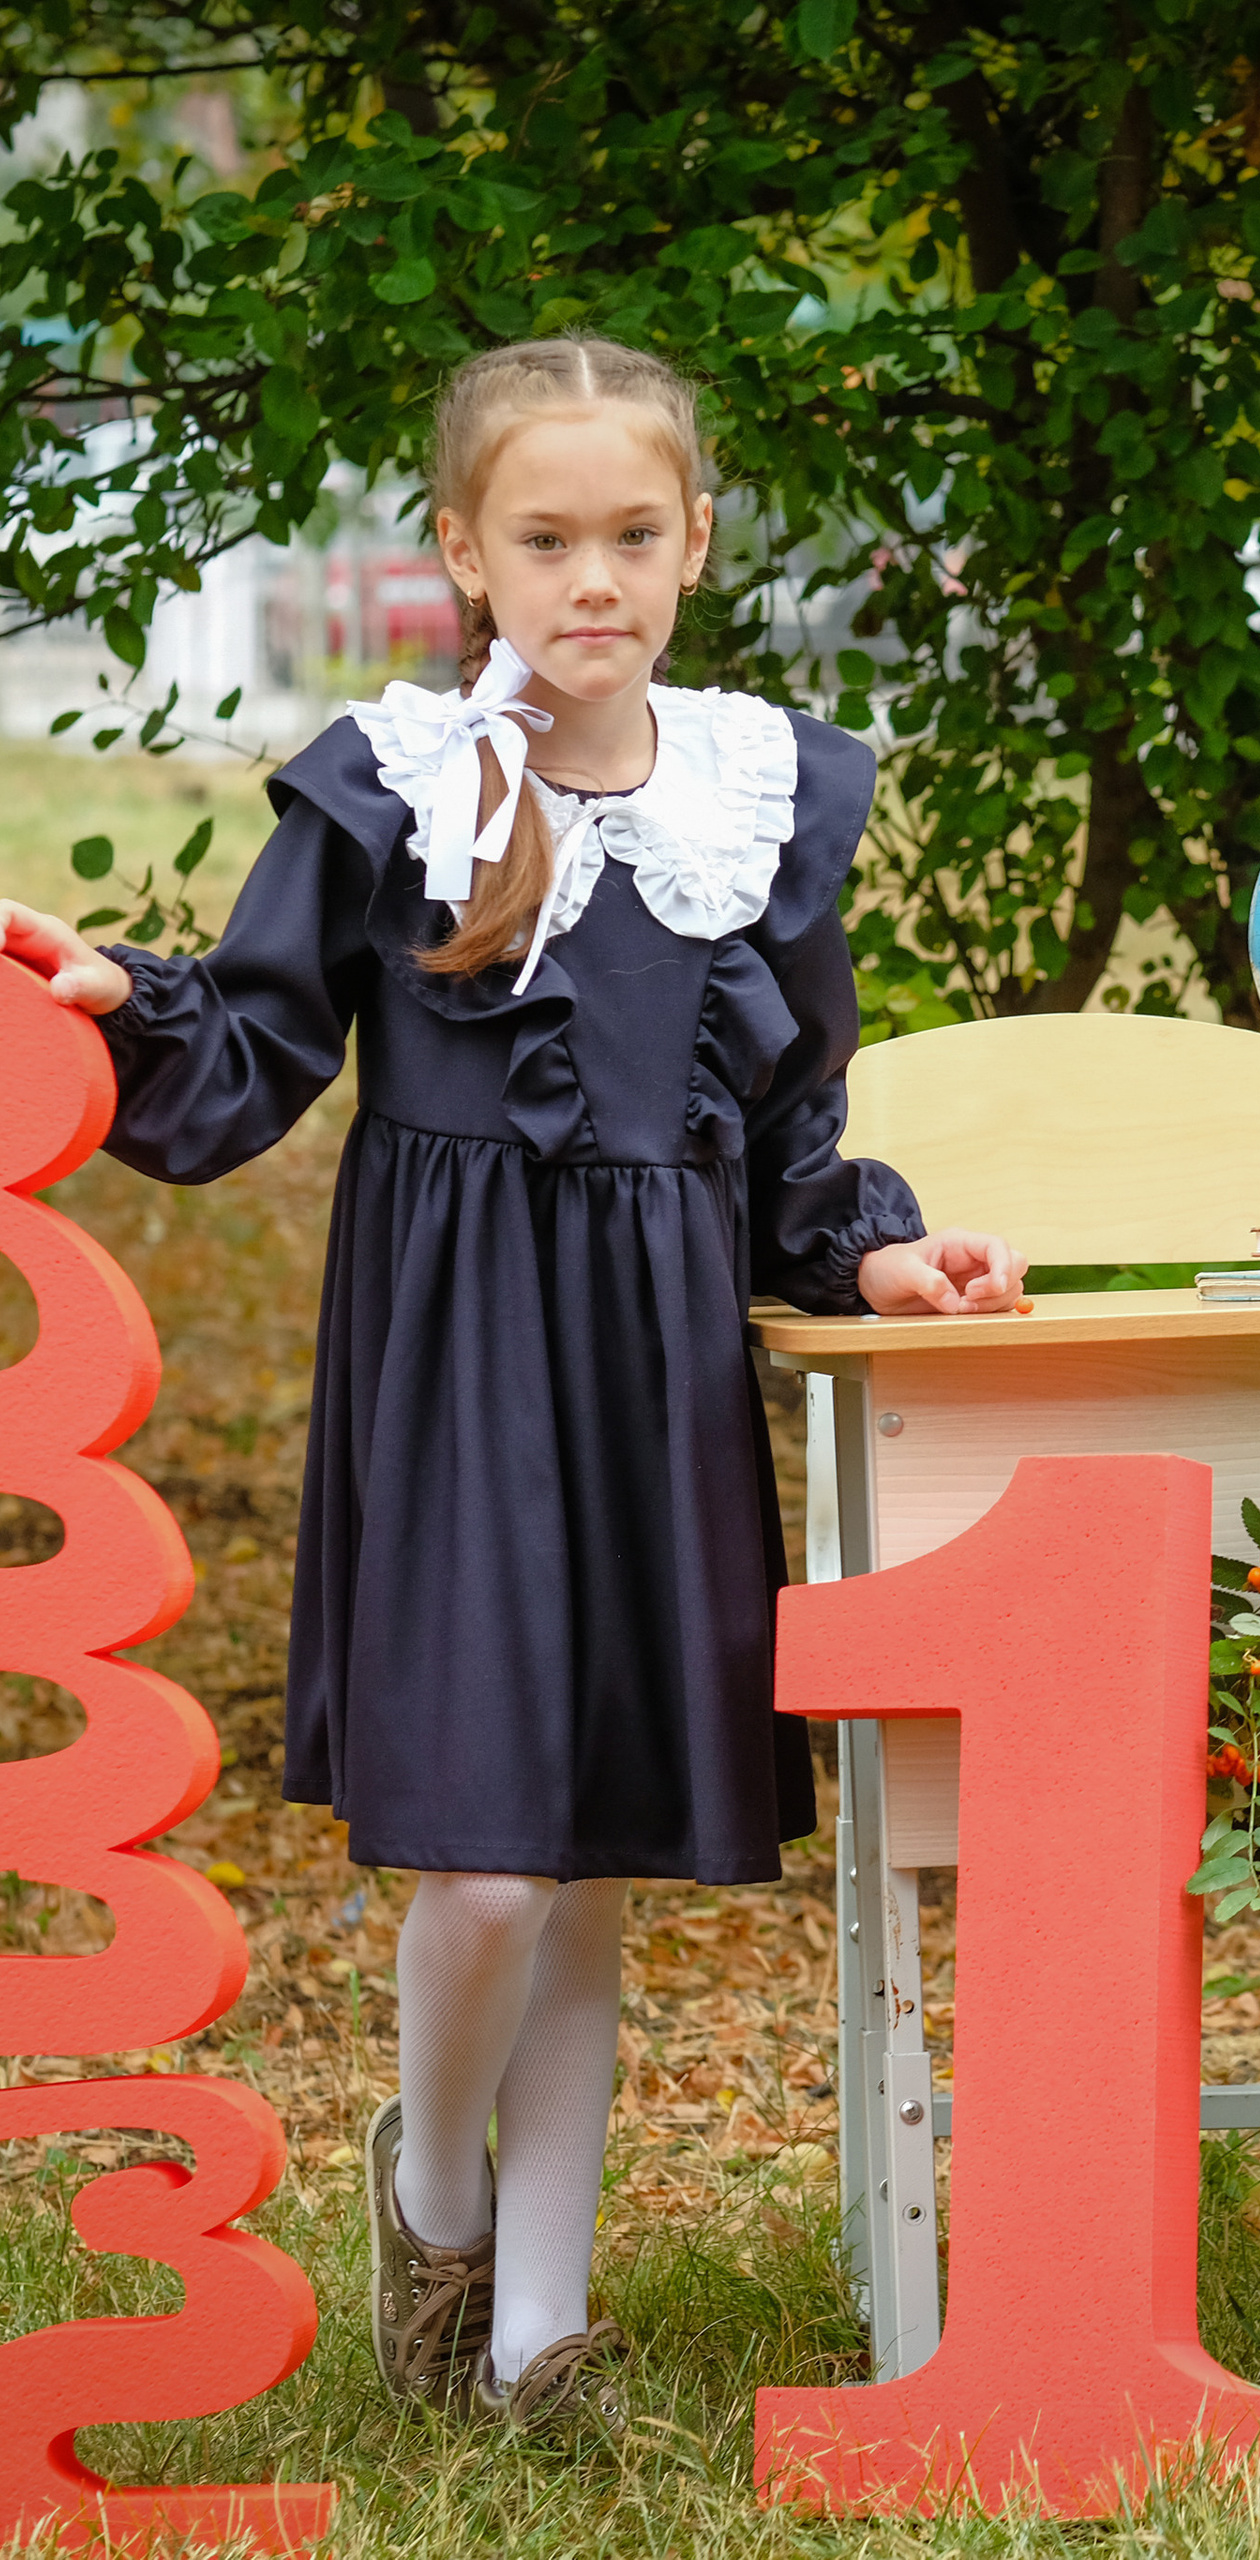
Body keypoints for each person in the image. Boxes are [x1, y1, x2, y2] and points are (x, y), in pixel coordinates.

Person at [0, 338, 1025, 2435]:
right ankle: (437, 2203)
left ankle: (542, 2333)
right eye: (544, 539)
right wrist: (123, 1005)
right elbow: (253, 1053)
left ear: (697, 542)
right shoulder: (397, 782)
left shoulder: (759, 797)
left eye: (633, 535)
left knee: (589, 1864)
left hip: (653, 1370)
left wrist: (874, 1253)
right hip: (457, 1356)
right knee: (484, 1863)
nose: (593, 579)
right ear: (464, 553)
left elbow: (787, 1135)